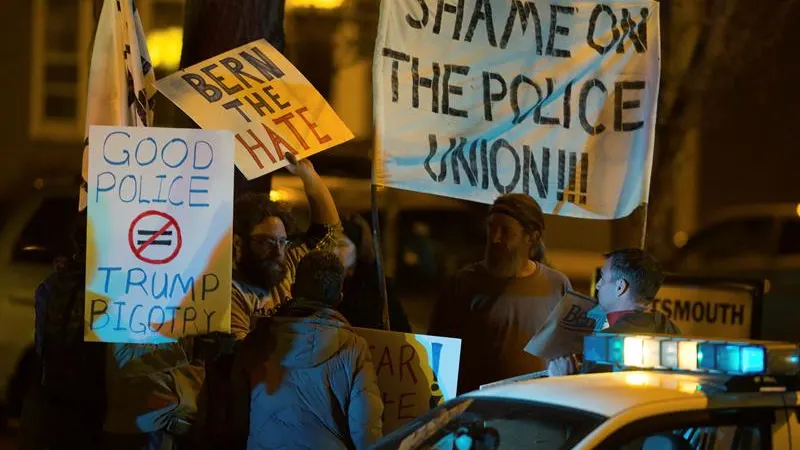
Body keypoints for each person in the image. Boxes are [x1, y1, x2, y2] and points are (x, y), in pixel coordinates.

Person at [189, 152, 342, 448]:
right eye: (265, 242)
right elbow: (241, 358)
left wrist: (308, 176)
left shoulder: (287, 267)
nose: (278, 252)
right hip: (241, 422)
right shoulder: (226, 288)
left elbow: (328, 234)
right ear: (238, 244)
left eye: (283, 242)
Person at [237, 251, 383, 450]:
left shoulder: (258, 340)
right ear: (339, 297)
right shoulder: (354, 348)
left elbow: (235, 414)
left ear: (293, 289)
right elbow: (366, 431)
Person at [428, 193, 571, 394]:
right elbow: (437, 355)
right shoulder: (462, 284)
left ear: (532, 237)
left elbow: (570, 349)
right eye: (492, 228)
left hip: (538, 408)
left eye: (506, 232)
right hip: (479, 409)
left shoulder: (557, 285)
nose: (495, 238)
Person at [24, 213, 105, 450]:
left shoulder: (50, 286)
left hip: (56, 390)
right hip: (86, 396)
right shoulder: (104, 287)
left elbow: (42, 344)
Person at [548, 248, 680, 376]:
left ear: (620, 287)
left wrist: (563, 377)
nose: (598, 285)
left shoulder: (605, 343)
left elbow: (592, 395)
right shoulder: (671, 330)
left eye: (603, 278)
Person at [335, 214, 411, 332]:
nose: (334, 251)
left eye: (341, 245)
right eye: (330, 244)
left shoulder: (377, 285)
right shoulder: (324, 283)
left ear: (358, 248)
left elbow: (400, 330)